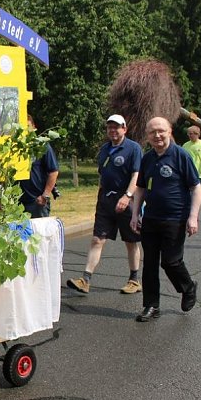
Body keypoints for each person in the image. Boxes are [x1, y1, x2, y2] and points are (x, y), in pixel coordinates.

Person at [129, 117, 201, 322]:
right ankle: (151, 305)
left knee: (171, 261)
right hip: (151, 218)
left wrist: (193, 217)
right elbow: (140, 187)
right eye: (152, 132)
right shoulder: (147, 158)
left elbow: (195, 187)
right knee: (150, 264)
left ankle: (188, 287)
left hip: (175, 218)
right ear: (147, 135)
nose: (157, 135)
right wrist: (135, 214)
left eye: (161, 130)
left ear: (169, 131)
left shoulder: (181, 155)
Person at [67, 114, 143, 295]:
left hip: (126, 199)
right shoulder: (104, 149)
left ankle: (134, 280)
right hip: (105, 201)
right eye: (110, 127)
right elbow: (103, 173)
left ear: (124, 129)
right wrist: (101, 195)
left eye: (116, 127)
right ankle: (85, 280)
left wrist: (127, 196)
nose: (112, 130)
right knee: (97, 239)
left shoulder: (133, 148)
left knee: (130, 241)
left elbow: (136, 175)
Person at [18, 143, 59, 218]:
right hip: (15, 203)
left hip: (36, 201)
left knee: (39, 226)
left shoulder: (41, 145)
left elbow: (53, 172)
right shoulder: (12, 144)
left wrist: (45, 195)